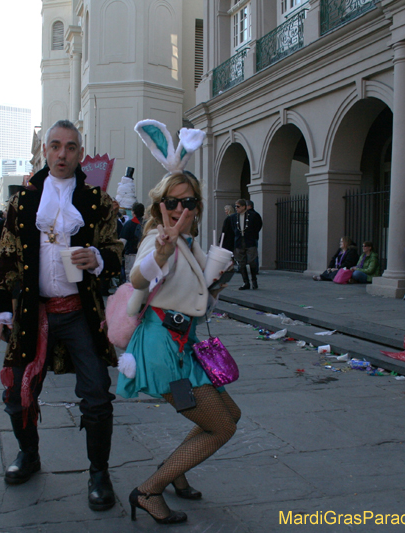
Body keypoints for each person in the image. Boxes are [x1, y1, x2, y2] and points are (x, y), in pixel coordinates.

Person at [0, 120, 123, 511]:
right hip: (34, 313)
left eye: (70, 147)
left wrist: (98, 258)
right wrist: (1, 313)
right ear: (45, 151)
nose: (62, 154)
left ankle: (99, 473)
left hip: (81, 313)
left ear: (80, 153)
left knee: (97, 392)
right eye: (55, 146)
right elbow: (5, 260)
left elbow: (116, 253)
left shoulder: (98, 202)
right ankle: (28, 456)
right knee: (17, 392)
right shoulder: (23, 202)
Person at [117, 171, 239, 525]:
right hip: (163, 351)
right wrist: (160, 252)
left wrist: (216, 282)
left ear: (198, 207)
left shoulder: (188, 241)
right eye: (172, 201)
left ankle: (175, 470)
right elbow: (138, 276)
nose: (180, 209)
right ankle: (149, 491)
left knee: (230, 415)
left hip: (185, 344)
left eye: (188, 202)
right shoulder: (160, 239)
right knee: (222, 427)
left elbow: (196, 299)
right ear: (160, 205)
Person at [233, 199, 262, 290]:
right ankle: (246, 282)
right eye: (235, 206)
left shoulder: (253, 215)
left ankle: (254, 280)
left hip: (250, 241)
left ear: (244, 207)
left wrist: (252, 235)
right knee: (241, 263)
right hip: (239, 241)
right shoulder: (234, 217)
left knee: (252, 261)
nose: (236, 208)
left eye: (238, 206)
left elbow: (258, 225)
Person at [120, 202, 145, 275]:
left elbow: (122, 241)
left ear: (133, 212)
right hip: (144, 254)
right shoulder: (146, 224)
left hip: (131, 255)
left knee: (131, 276)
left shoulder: (129, 224)